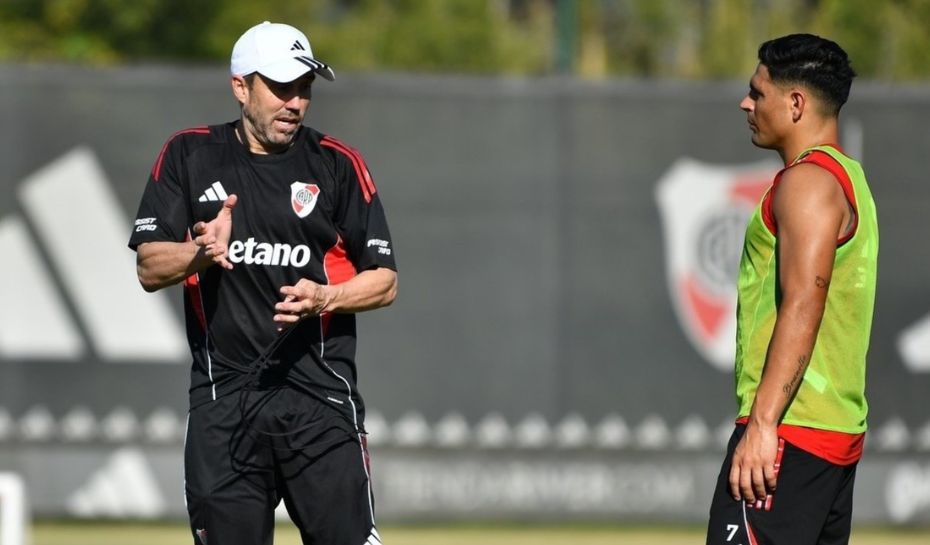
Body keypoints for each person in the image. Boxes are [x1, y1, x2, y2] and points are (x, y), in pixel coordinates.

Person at [128, 21, 397, 545]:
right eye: (280, 87)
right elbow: (149, 267)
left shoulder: (337, 164)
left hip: (321, 404)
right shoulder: (189, 154)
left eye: (304, 88)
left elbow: (385, 281)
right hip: (223, 403)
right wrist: (201, 253)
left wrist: (326, 297)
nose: (295, 102)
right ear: (240, 86)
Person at [705, 34, 878, 545]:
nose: (747, 103)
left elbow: (804, 302)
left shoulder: (807, 184)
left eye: (758, 93)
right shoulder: (850, 179)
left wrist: (762, 425)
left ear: (796, 103)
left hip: (788, 435)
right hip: (829, 442)